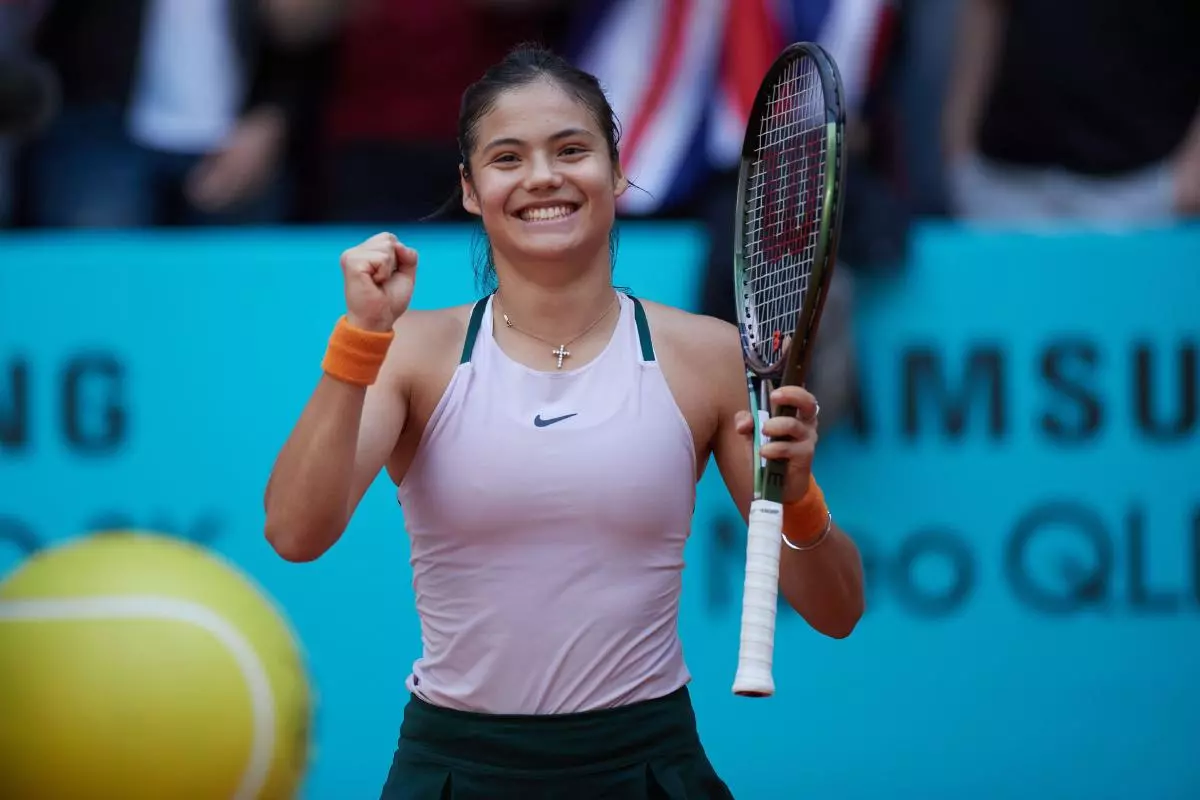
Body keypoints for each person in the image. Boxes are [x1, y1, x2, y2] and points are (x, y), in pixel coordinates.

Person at [263, 44, 865, 800]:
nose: (542, 176)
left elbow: (837, 610)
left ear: (616, 170)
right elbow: (295, 534)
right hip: (454, 768)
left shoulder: (708, 357)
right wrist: (360, 340)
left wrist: (799, 492)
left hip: (648, 765)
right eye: (507, 157)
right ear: (472, 190)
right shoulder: (410, 351)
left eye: (571, 150)